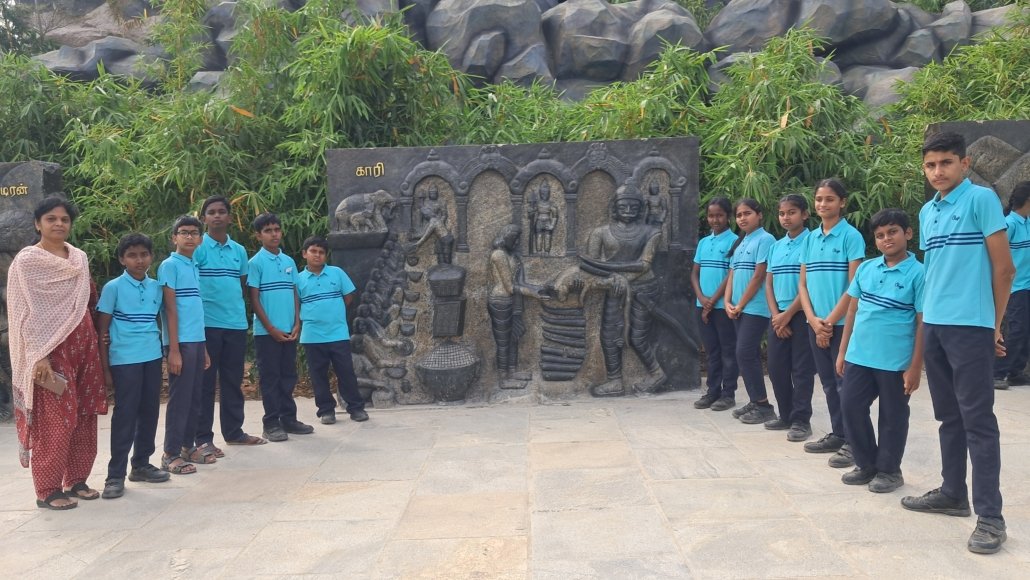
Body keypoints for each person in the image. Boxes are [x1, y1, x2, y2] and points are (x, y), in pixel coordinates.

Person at [902, 131, 1013, 555]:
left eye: (946, 162)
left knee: (978, 421)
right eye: (930, 165)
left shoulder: (981, 200)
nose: (938, 171)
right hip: (935, 324)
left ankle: (991, 517)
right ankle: (952, 493)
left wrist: (993, 326)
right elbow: (936, 272)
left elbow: (1003, 269)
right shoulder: (927, 210)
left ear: (964, 164)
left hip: (970, 326)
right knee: (949, 417)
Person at [7, 196, 108, 509]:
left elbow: (89, 300)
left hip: (84, 346)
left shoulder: (79, 258)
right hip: (49, 351)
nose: (59, 224)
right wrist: (38, 355)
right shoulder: (27, 262)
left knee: (84, 414)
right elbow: (22, 312)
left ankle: (76, 480)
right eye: (51, 219)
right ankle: (48, 490)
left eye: (64, 219)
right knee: (55, 419)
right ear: (38, 224)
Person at [831, 209, 924, 494]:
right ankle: (866, 464)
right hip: (859, 355)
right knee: (850, 406)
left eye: (893, 232)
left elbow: (923, 322)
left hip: (895, 361)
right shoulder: (866, 268)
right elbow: (852, 310)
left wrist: (915, 367)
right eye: (880, 235)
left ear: (908, 233)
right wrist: (842, 351)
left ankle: (889, 470)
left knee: (893, 416)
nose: (886, 239)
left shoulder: (919, 273)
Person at [96, 234, 170, 499]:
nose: (139, 260)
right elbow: (102, 331)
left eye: (144, 254)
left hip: (151, 356)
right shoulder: (113, 287)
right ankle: (114, 475)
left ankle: (141, 465)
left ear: (151, 257)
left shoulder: (156, 287)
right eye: (132, 255)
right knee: (125, 414)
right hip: (124, 359)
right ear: (122, 259)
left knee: (149, 411)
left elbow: (163, 319)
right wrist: (106, 369)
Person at [798, 178, 864, 468]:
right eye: (819, 199)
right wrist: (814, 321)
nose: (823, 204)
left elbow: (854, 286)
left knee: (845, 385)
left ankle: (854, 443)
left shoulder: (851, 237)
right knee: (827, 383)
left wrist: (829, 322)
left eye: (829, 199)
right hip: (815, 323)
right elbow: (803, 284)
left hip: (842, 325)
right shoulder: (810, 239)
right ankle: (838, 434)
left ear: (842, 202)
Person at [194, 196, 266, 450]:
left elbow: (243, 285)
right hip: (206, 325)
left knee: (233, 381)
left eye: (221, 211)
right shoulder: (197, 248)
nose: (217, 216)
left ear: (230, 217)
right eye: (211, 212)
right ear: (204, 218)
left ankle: (234, 432)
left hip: (235, 324)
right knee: (205, 384)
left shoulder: (239, 251)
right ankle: (203, 439)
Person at [580, 184, 666, 397]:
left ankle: (657, 373)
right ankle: (615, 380)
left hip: (643, 288)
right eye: (623, 206)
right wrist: (611, 278)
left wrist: (619, 275)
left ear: (641, 209)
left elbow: (644, 264)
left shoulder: (652, 232)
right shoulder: (600, 233)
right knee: (609, 334)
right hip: (614, 288)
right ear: (614, 208)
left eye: (633, 207)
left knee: (637, 337)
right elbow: (591, 265)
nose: (628, 210)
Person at [297, 236, 369, 424]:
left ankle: (356, 408)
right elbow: (295, 305)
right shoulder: (298, 279)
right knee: (318, 375)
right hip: (312, 335)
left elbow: (349, 296)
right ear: (304, 254)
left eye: (321, 252)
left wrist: (334, 312)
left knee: (346, 372)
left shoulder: (337, 273)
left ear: (326, 255)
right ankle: (326, 411)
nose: (317, 255)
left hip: (338, 333)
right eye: (313, 251)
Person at [158, 216, 211, 474]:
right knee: (180, 399)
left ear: (200, 239)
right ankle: (170, 453)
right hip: (181, 343)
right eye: (184, 232)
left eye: (194, 233)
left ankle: (187, 446)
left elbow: (195, 310)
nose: (189, 237)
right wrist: (174, 349)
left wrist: (205, 348)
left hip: (197, 341)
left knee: (194, 397)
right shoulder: (169, 266)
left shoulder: (194, 265)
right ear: (174, 238)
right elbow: (170, 310)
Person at [248, 213, 306, 442]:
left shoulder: (289, 261)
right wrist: (271, 328)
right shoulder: (255, 263)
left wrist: (297, 322)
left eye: (277, 229)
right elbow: (254, 299)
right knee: (270, 377)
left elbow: (294, 294)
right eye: (268, 231)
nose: (274, 234)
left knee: (288, 375)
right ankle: (271, 423)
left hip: (289, 330)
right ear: (258, 235)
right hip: (267, 333)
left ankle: (288, 419)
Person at [764, 194, 816, 441]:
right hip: (778, 317)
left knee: (802, 370)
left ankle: (801, 420)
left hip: (802, 314)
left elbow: (809, 284)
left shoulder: (812, 242)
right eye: (782, 213)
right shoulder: (776, 246)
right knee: (776, 368)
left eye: (792, 212)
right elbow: (768, 283)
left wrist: (788, 315)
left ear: (804, 214)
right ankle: (785, 414)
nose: (786, 217)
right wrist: (777, 316)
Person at [723, 199, 776, 424]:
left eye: (747, 213)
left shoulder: (766, 239)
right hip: (737, 308)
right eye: (739, 215)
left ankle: (763, 405)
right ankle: (756, 401)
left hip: (756, 308)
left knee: (744, 352)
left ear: (759, 215)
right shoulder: (741, 241)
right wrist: (727, 301)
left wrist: (741, 304)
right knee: (747, 353)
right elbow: (732, 274)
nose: (742, 218)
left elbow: (759, 275)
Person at [691, 198, 739, 411]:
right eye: (711, 216)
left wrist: (712, 301)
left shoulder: (735, 241)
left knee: (728, 350)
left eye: (719, 215)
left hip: (723, 306)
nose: (715, 220)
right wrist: (702, 298)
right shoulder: (703, 242)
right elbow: (694, 273)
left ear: (728, 216)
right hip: (702, 304)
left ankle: (728, 394)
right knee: (711, 351)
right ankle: (712, 391)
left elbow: (731, 275)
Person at [993, 181, 1030, 390]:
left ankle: (1016, 372)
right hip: (1015, 288)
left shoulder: (1027, 222)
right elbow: (996, 257)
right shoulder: (1009, 224)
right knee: (1017, 329)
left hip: (1027, 285)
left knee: (1026, 330)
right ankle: (997, 372)